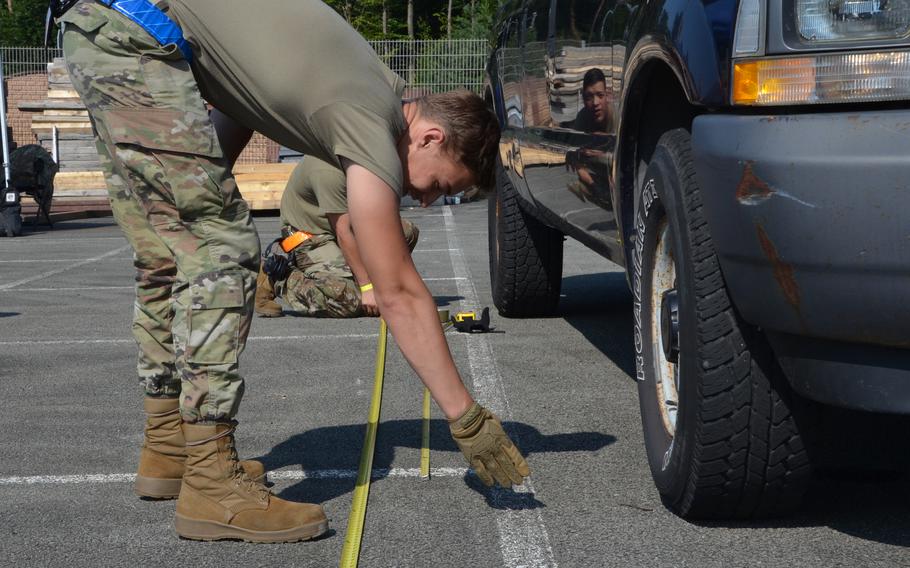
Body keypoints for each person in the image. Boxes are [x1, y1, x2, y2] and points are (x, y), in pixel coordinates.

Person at [57, 0, 529, 544]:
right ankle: (212, 483)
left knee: (171, 251)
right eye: (440, 185)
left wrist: (205, 185)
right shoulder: (369, 120)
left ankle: (170, 449)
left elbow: (245, 99)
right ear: (430, 138)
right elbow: (398, 292)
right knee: (222, 250)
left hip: (111, 26)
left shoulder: (373, 81)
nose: (424, 200)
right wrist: (464, 416)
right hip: (135, 38)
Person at [254, 156, 419, 318]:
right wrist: (367, 287)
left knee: (406, 232)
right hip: (311, 237)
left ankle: (379, 287)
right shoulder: (327, 169)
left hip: (345, 227)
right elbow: (343, 231)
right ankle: (278, 278)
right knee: (349, 300)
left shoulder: (365, 159)